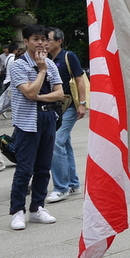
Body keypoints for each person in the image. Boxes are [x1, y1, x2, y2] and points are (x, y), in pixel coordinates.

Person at [8, 24, 64, 230]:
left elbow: (59, 94)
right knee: (24, 169)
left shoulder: (51, 63)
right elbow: (28, 93)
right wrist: (41, 71)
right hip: (27, 121)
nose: (41, 43)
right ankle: (17, 211)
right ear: (26, 41)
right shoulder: (18, 65)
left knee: (43, 167)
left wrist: (40, 96)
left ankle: (37, 207)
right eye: (36, 39)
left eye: (44, 39)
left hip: (48, 118)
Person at [46, 28, 87, 203]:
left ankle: (61, 187)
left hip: (69, 105)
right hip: (56, 108)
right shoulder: (48, 60)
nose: (45, 43)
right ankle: (73, 183)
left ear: (59, 41)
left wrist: (82, 104)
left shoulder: (69, 56)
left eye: (48, 40)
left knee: (56, 142)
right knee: (65, 144)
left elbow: (79, 79)